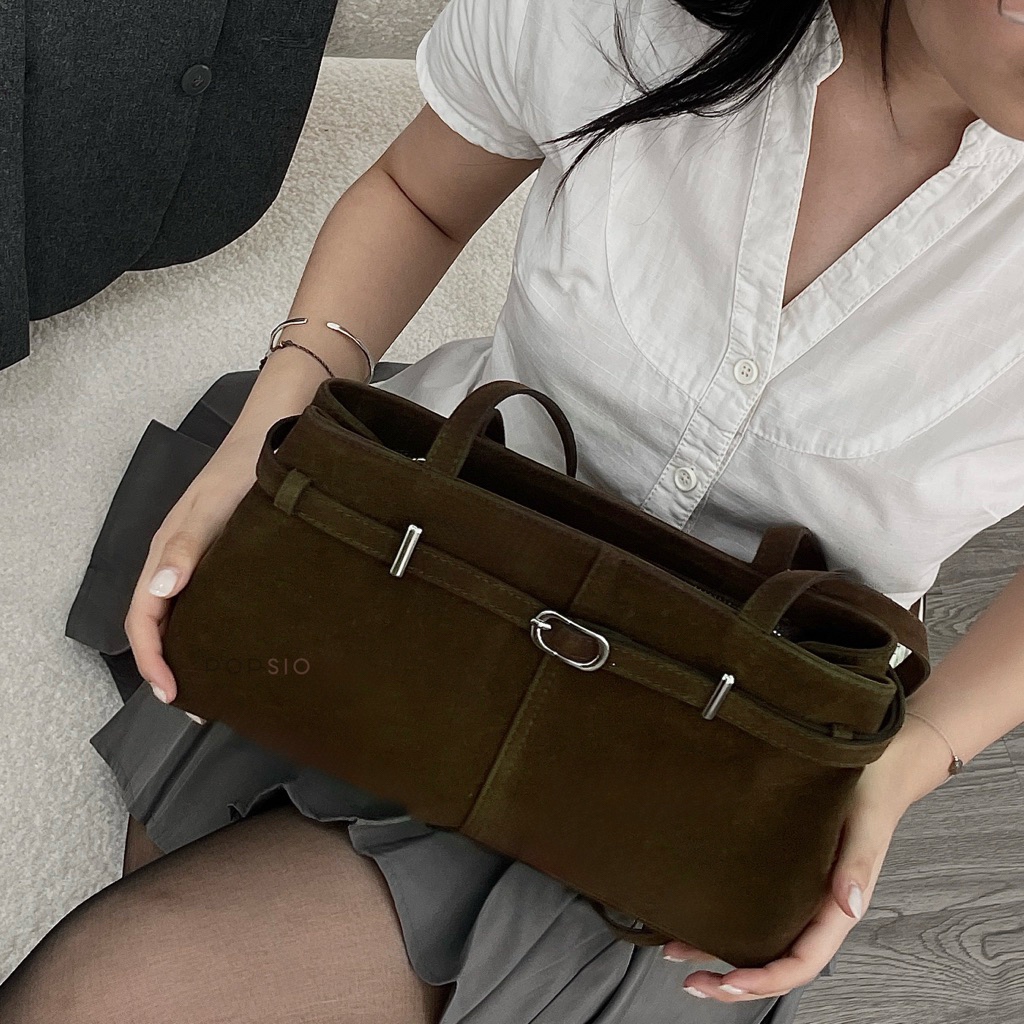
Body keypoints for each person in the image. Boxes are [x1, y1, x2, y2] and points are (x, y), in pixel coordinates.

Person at [3, 0, 1024, 1020]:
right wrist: (264, 435)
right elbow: (418, 194)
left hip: (726, 742)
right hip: (433, 566)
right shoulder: (621, 17)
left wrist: (914, 755)